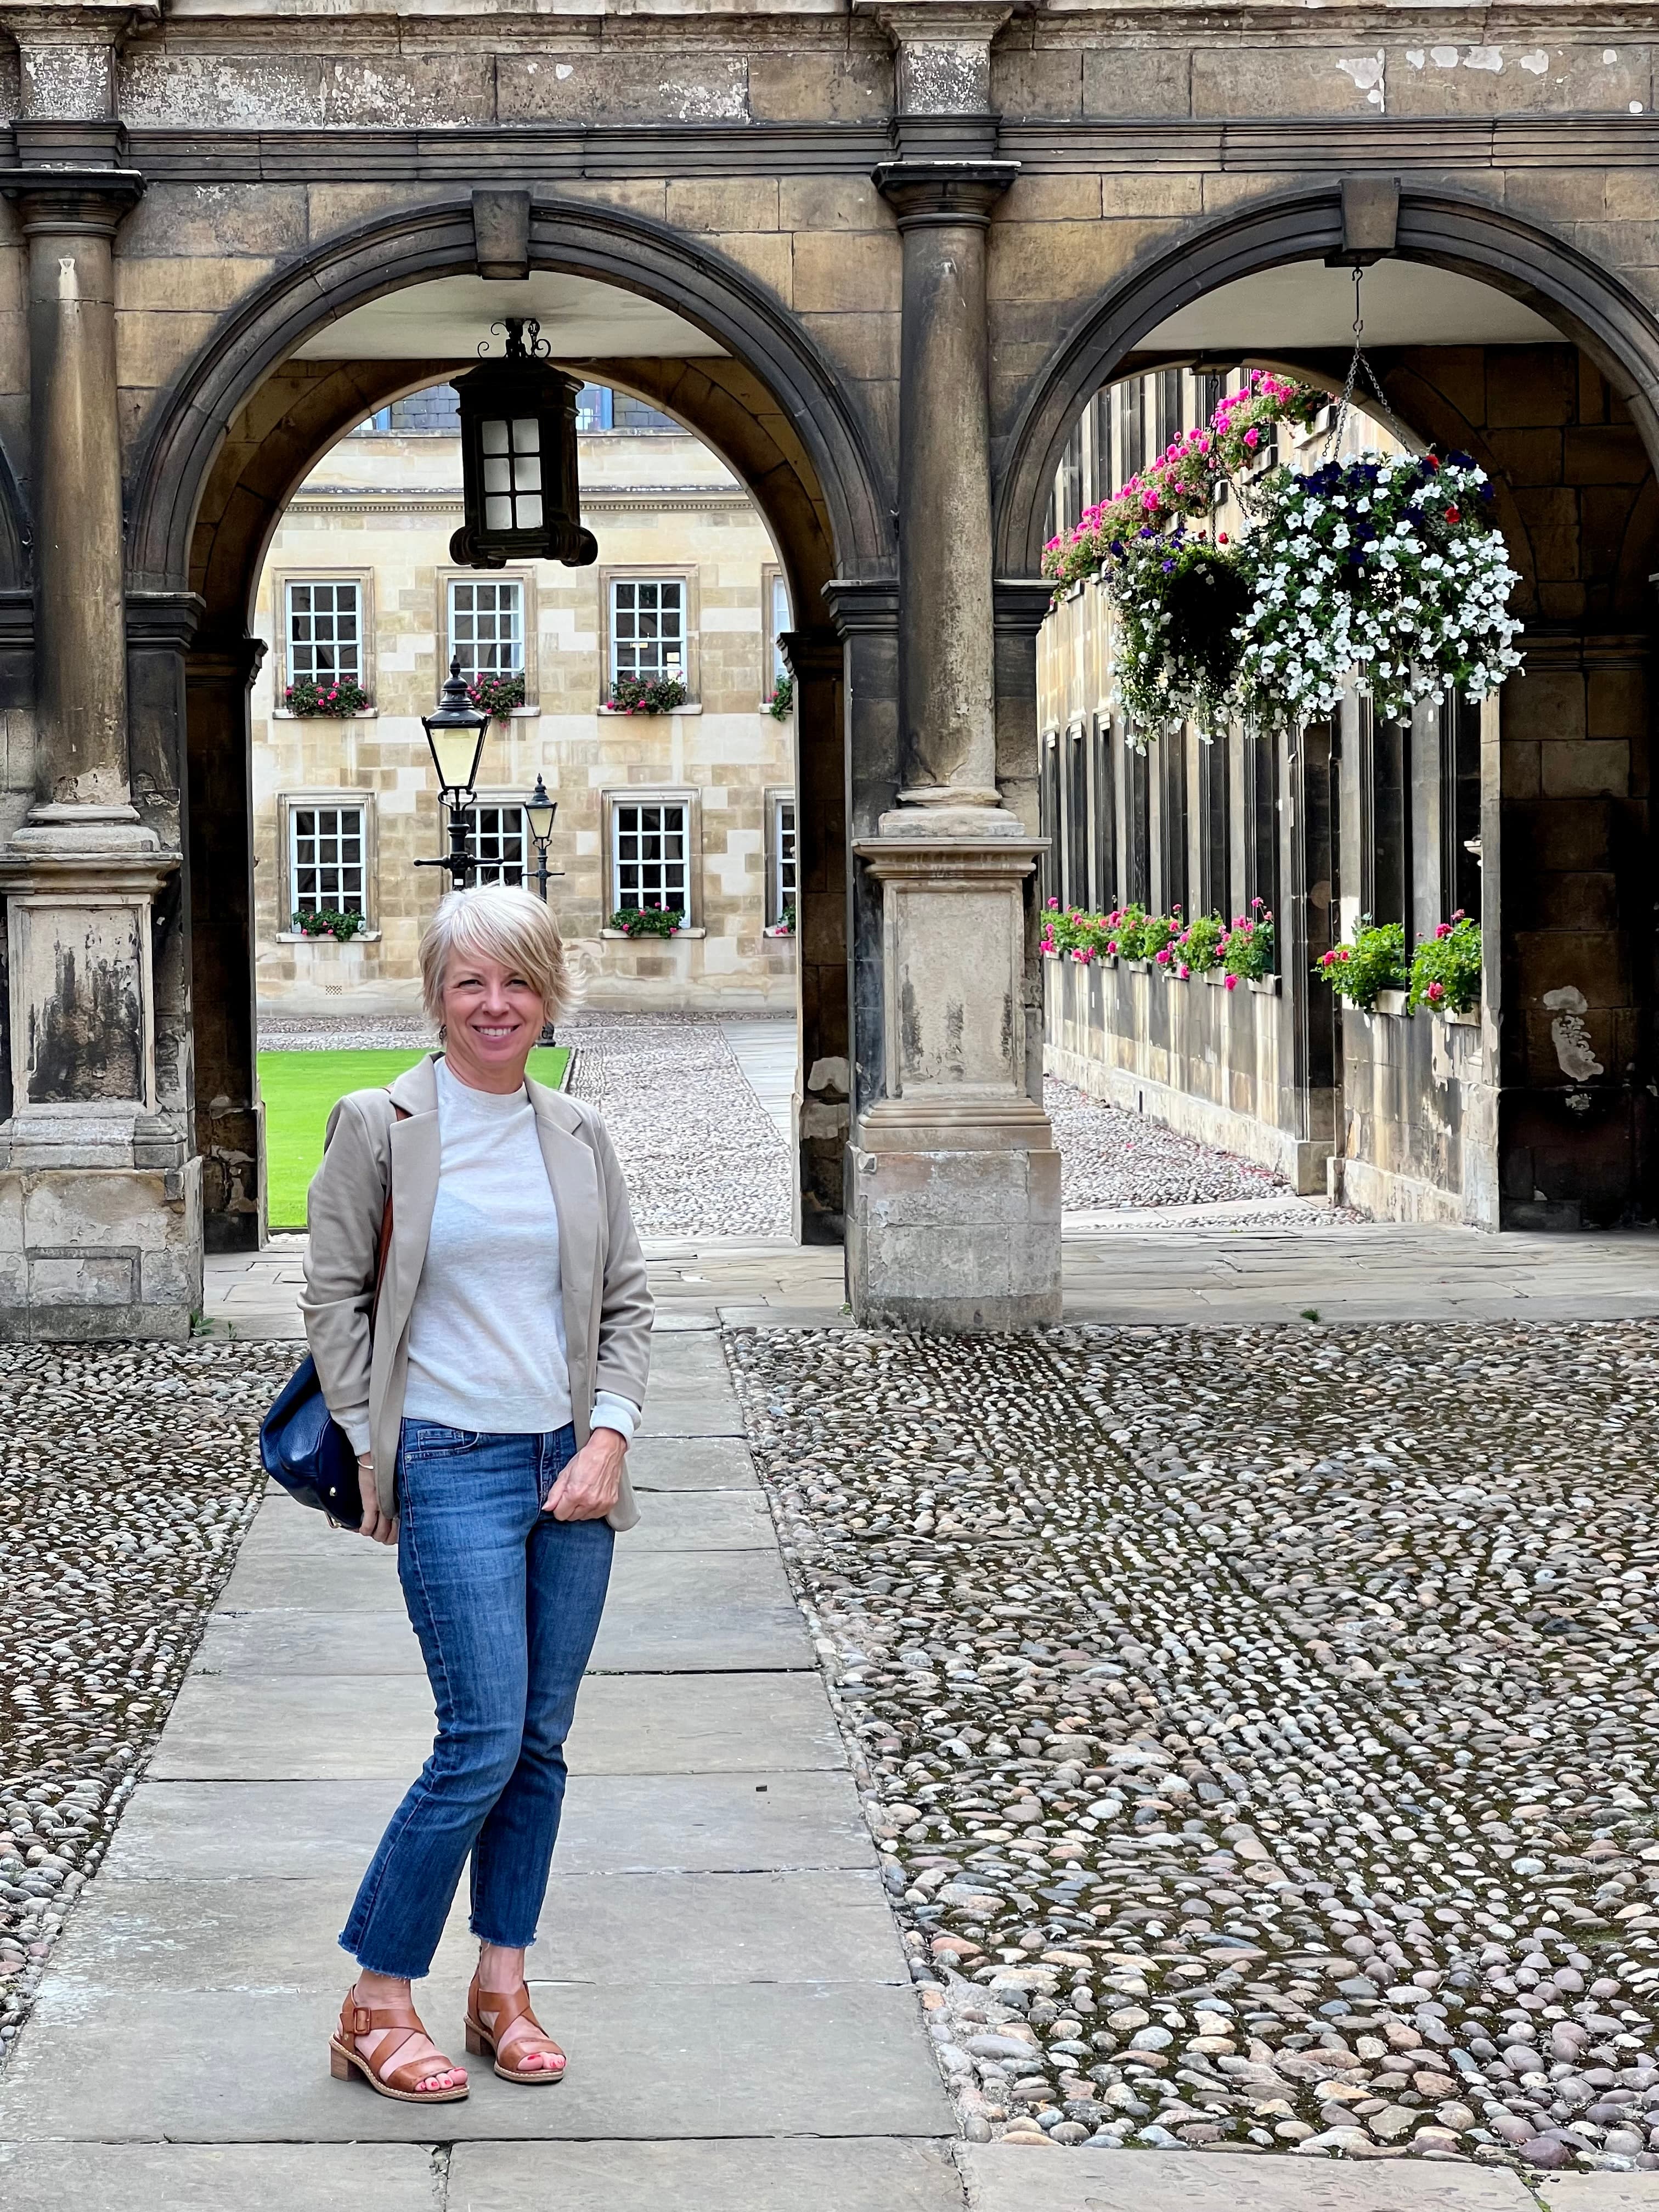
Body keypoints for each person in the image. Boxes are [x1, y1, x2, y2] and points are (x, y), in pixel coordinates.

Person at [301, 883, 651, 2103]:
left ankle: (501, 1987)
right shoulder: (378, 1122)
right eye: (471, 982)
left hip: (570, 1467)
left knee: (541, 1747)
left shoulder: (580, 1135)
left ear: (549, 994)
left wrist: (608, 1438)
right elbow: (334, 1298)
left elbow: (625, 1308)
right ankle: (377, 2000)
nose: (495, 1004)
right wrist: (370, 1445)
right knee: (480, 1739)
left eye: (518, 981)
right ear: (438, 997)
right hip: (447, 1461)